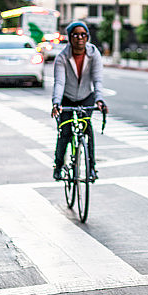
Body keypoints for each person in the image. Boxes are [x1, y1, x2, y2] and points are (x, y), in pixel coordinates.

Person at [52, 21, 108, 181]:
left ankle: (91, 168)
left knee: (87, 130)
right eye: (75, 35)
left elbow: (97, 80)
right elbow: (59, 82)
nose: (79, 38)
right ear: (69, 38)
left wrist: (99, 100)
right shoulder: (62, 57)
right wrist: (56, 103)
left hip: (86, 96)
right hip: (66, 97)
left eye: (83, 34)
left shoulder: (93, 53)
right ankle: (58, 165)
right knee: (65, 132)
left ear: (87, 37)